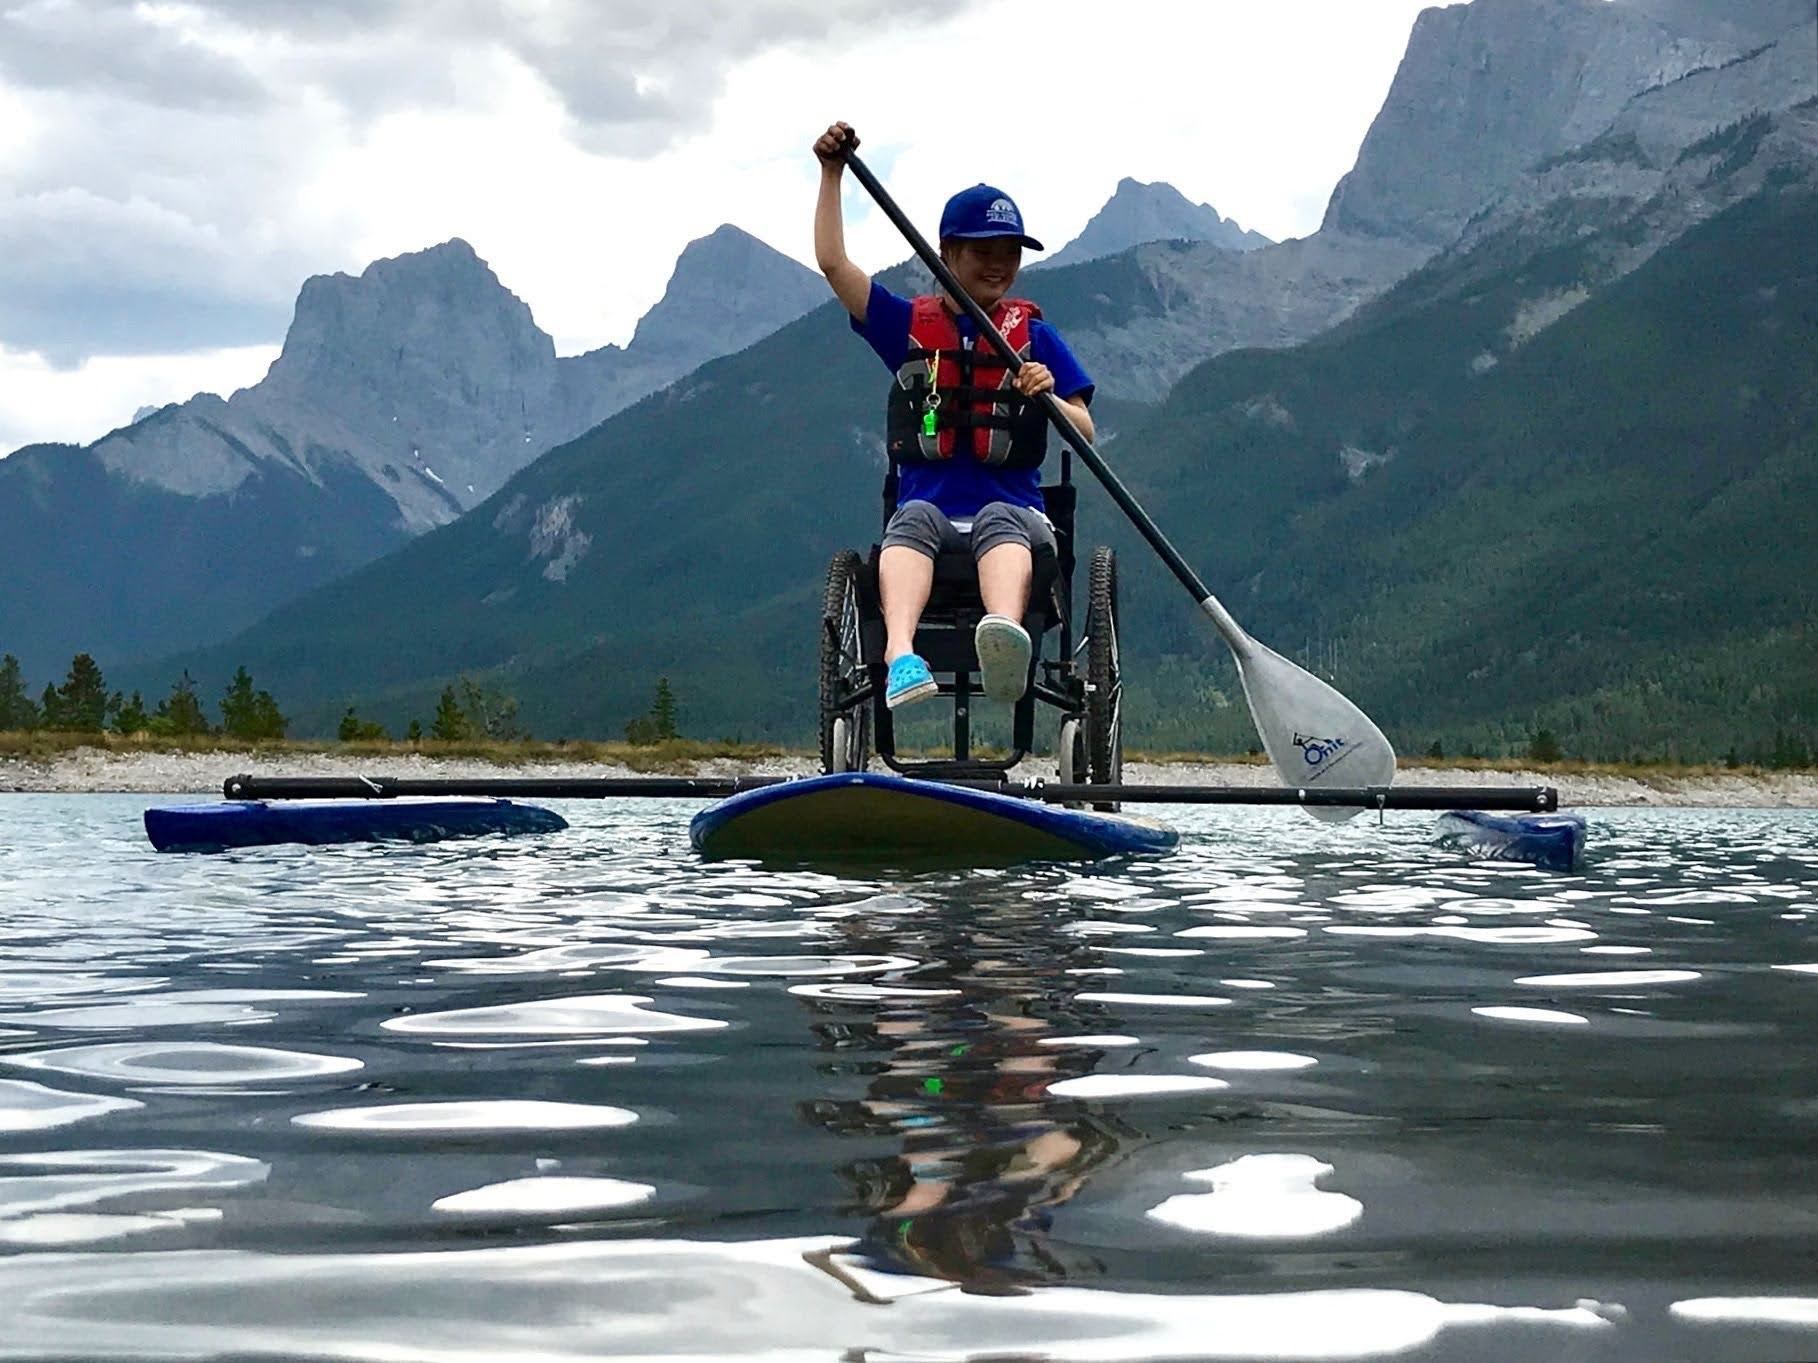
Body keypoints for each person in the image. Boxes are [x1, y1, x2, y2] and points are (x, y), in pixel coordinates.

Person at [812, 121, 1095, 710]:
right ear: (947, 254)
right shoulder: (907, 327)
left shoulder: (1036, 337)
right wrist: (832, 173)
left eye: (1009, 254)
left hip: (1016, 518)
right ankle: (900, 657)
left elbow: (1086, 431)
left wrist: (1051, 394)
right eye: (982, 253)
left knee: (999, 515)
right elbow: (836, 265)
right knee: (910, 518)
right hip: (930, 517)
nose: (999, 266)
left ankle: (1005, 643)